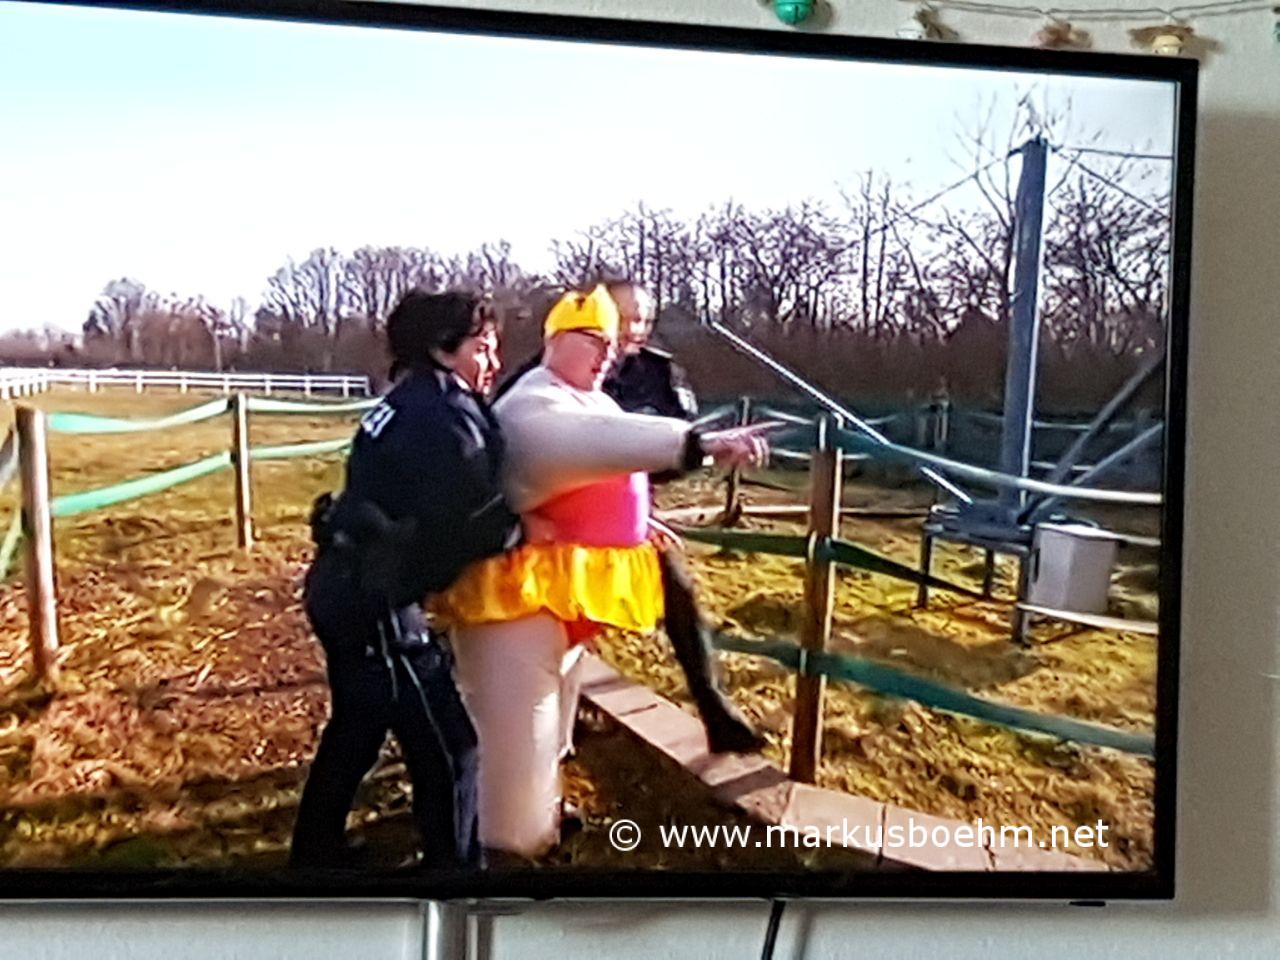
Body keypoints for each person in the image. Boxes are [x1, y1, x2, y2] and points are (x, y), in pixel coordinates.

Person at [433, 285, 768, 858]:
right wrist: (702, 443)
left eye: (611, 343)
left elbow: (614, 463)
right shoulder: (534, 400)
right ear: (557, 339)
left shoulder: (592, 399)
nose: (608, 353)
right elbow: (587, 446)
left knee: (553, 728)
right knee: (516, 771)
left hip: (561, 596)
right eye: (594, 340)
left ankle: (540, 811)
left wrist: (638, 525)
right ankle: (499, 847)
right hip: (517, 597)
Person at [290, 290, 521, 870]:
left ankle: (314, 854)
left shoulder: (405, 400)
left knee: (358, 727)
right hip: (379, 608)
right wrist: (521, 530)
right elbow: (470, 518)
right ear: (442, 349)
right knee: (452, 749)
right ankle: (455, 875)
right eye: (481, 347)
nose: (493, 362)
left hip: (340, 585)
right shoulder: (443, 415)